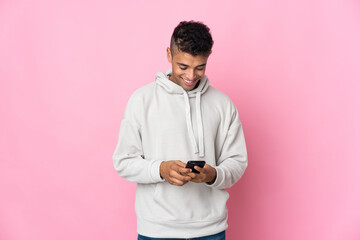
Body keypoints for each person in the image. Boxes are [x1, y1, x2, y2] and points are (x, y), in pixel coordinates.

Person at [113, 20, 248, 240]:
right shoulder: (142, 100)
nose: (191, 76)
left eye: (200, 67)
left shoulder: (223, 104)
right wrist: (161, 169)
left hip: (210, 230)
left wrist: (213, 175)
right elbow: (123, 161)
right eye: (183, 66)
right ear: (169, 54)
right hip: (156, 230)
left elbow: (237, 162)